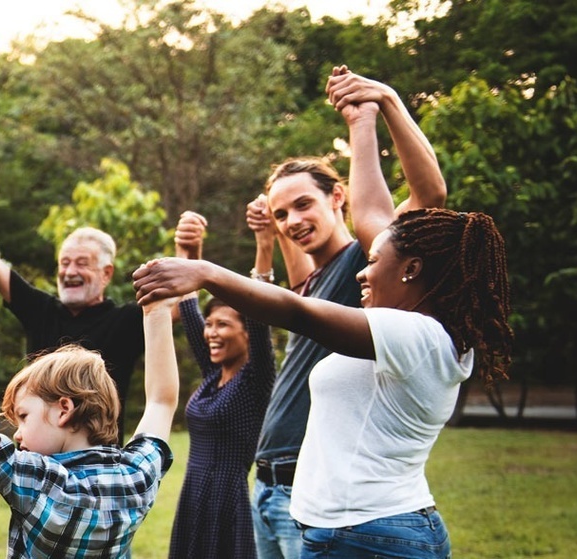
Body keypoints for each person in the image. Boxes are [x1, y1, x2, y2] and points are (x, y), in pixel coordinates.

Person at [134, 205, 512, 558]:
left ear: (411, 269)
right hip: (356, 529)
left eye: (374, 261)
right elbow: (369, 210)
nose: (361, 272)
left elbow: (300, 313)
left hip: (369, 533)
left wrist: (207, 273)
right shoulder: (416, 337)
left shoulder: (417, 334)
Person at [246, 68, 447, 559]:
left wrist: (375, 113)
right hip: (271, 482)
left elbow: (428, 199)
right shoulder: (318, 281)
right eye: (281, 213)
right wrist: (266, 240)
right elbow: (295, 296)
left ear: (338, 197)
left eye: (303, 205)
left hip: (315, 495)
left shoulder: (365, 261)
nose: (293, 221)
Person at [0, 292, 179, 558]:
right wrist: (157, 310)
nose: (17, 434)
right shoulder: (135, 476)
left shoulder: (40, 481)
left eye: (24, 416)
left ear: (63, 410)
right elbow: (161, 402)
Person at [0, 163, 145, 414]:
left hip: (99, 451)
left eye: (81, 263)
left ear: (106, 273)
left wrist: (189, 251)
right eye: (64, 263)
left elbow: (178, 308)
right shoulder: (41, 310)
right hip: (36, 451)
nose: (69, 272)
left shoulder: (126, 320)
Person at [166, 211, 278, 559]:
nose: (212, 332)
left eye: (223, 325)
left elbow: (260, 309)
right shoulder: (214, 375)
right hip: (194, 494)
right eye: (209, 324)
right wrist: (188, 253)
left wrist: (264, 244)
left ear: (247, 333)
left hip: (228, 501)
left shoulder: (255, 379)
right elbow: (187, 309)